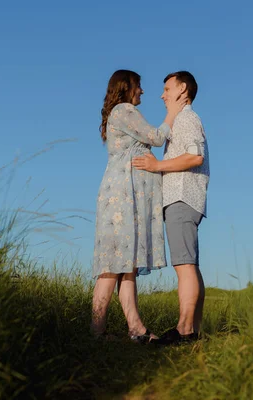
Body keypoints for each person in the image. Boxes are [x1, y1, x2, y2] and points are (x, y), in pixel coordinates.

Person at [91, 69, 186, 343]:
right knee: (112, 265)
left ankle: (136, 329)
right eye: (139, 86)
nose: (142, 91)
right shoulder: (123, 109)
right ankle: (96, 332)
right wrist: (173, 113)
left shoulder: (121, 112)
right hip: (122, 198)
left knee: (126, 265)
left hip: (128, 197)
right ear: (127, 87)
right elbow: (156, 137)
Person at [132, 71, 210, 345]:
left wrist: (157, 166)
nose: (162, 95)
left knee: (184, 264)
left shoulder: (187, 118)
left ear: (182, 89)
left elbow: (195, 155)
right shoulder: (186, 119)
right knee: (190, 264)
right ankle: (194, 330)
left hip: (181, 197)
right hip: (187, 199)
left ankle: (185, 330)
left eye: (167, 89)